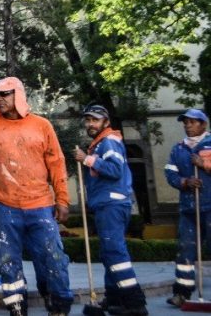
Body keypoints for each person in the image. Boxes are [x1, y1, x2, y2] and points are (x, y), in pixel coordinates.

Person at [0, 77, 72, 316]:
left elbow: (57, 164)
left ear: (18, 95)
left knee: (53, 256)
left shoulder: (42, 125)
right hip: (4, 207)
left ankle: (58, 304)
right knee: (7, 261)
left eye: (4, 94)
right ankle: (17, 308)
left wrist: (62, 199)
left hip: (40, 205)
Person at [74, 105, 147, 316]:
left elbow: (114, 170)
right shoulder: (100, 144)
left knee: (114, 252)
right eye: (88, 120)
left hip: (111, 204)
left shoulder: (109, 142)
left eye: (95, 120)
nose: (90, 124)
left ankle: (135, 303)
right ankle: (115, 299)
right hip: (109, 204)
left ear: (105, 122)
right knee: (108, 253)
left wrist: (86, 159)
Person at [164, 108, 211, 307]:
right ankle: (182, 293)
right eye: (185, 122)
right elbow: (170, 174)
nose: (187, 125)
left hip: (210, 205)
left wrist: (204, 165)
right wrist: (185, 181)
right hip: (189, 208)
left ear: (203, 125)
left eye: (192, 122)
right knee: (185, 250)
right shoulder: (178, 149)